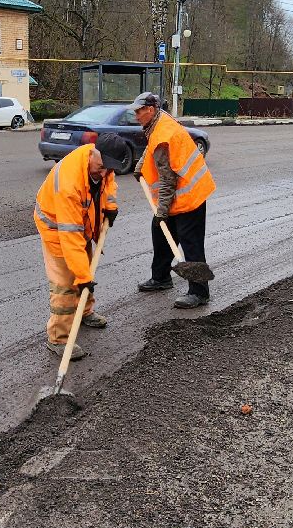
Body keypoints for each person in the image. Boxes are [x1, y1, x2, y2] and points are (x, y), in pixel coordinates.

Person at [33, 135, 125, 358]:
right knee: (67, 283)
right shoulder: (69, 182)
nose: (103, 173)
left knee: (86, 269)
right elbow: (70, 237)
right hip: (58, 229)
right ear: (92, 152)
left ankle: (84, 311)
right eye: (101, 167)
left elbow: (108, 182)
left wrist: (110, 205)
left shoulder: (102, 164)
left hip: (81, 224)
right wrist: (82, 278)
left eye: (108, 169)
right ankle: (58, 338)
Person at [130, 91, 215, 308]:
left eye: (139, 111)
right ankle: (161, 278)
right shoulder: (157, 122)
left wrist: (162, 211)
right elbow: (149, 149)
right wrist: (140, 166)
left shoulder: (163, 135)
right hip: (177, 196)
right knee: (160, 233)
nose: (136, 115)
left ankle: (199, 292)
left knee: (191, 243)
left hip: (190, 196)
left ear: (150, 110)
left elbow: (168, 181)